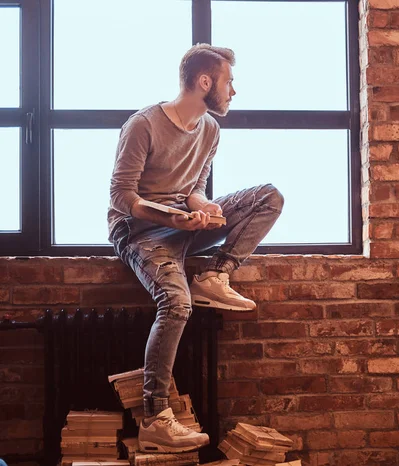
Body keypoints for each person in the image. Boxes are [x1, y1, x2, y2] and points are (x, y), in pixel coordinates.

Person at [107, 44, 283, 453]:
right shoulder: (143, 125)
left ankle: (215, 275)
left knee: (269, 197)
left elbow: (193, 189)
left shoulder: (210, 129)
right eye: (229, 82)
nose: (233, 91)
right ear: (205, 82)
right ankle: (156, 418)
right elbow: (121, 197)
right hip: (139, 231)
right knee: (176, 304)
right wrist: (171, 219)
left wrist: (203, 207)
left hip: (183, 224)